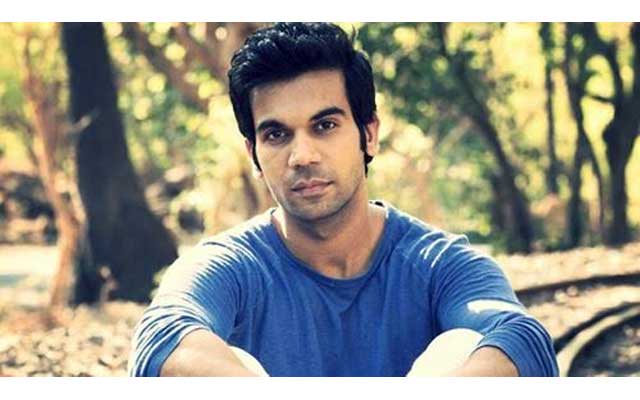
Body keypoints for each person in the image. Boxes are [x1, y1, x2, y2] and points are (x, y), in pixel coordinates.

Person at [128, 22, 559, 377]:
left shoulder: (438, 264)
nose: (302, 156)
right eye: (276, 134)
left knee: (464, 346)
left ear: (368, 134)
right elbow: (162, 335)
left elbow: (521, 339)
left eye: (325, 126)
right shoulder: (230, 266)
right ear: (254, 154)